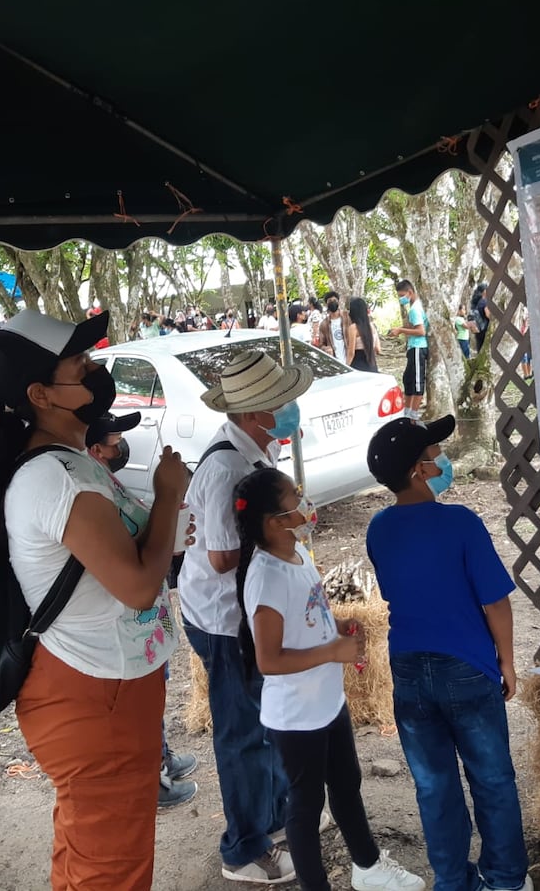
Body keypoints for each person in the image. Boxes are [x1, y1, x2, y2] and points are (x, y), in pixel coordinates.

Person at [0, 309, 187, 890]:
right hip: (93, 695)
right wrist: (170, 497)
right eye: (80, 364)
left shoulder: (71, 464)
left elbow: (116, 560)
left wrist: (160, 528)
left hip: (107, 686)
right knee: (112, 869)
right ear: (41, 393)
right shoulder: (57, 478)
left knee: (91, 853)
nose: (96, 369)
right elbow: (135, 585)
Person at [235, 467, 426, 891]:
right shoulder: (265, 577)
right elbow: (269, 660)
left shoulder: (299, 554)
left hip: (327, 701)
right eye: (294, 497)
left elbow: (308, 614)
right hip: (297, 716)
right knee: (305, 806)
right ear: (274, 520)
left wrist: (335, 628)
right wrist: (331, 652)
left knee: (346, 783)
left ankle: (369, 867)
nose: (304, 502)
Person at [365, 416, 531, 891]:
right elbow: (494, 600)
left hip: (409, 671)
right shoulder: (460, 522)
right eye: (434, 455)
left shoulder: (379, 528)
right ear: (419, 470)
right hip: (466, 668)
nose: (442, 461)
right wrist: (507, 660)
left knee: (434, 785)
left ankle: (453, 880)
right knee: (492, 778)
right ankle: (504, 879)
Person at [178, 350, 314, 885]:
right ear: (257, 412)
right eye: (279, 400)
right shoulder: (224, 467)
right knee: (241, 733)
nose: (288, 407)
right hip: (221, 617)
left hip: (247, 609)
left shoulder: (258, 449)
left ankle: (275, 816)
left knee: (268, 715)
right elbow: (219, 556)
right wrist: (280, 530)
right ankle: (243, 848)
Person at [85, 412, 199, 810]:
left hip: (146, 626)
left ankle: (161, 757)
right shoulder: (89, 495)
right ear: (95, 449)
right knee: (139, 708)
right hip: (130, 628)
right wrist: (167, 499)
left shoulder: (105, 481)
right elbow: (130, 568)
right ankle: (154, 779)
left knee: (153, 697)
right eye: (115, 443)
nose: (122, 450)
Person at [388, 280, 428, 421]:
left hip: (418, 347)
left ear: (410, 293)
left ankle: (413, 414)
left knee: (417, 382)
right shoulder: (413, 308)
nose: (401, 299)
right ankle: (407, 411)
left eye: (402, 295)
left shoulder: (415, 309)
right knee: (408, 379)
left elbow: (421, 330)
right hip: (412, 347)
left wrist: (400, 330)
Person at [346, 297, 380, 372]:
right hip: (372, 366)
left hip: (358, 366)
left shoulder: (353, 328)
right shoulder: (372, 326)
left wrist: (345, 368)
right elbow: (378, 349)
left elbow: (351, 353)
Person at [317, 291, 351, 364]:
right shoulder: (324, 324)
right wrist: (326, 348)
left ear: (338, 302)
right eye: (330, 301)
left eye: (335, 300)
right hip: (335, 362)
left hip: (351, 360)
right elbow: (321, 344)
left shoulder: (348, 317)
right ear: (326, 304)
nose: (332, 302)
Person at [470, 283, 492, 355]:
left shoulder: (476, 302)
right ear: (484, 291)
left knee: (479, 347)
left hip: (478, 328)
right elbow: (488, 314)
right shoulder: (484, 301)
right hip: (484, 328)